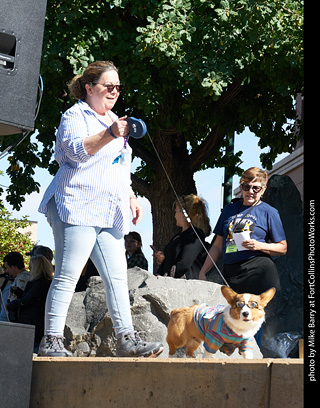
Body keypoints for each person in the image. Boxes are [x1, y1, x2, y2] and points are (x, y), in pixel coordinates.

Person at [37, 60, 163, 358]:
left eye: (118, 87)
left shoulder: (116, 122)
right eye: (109, 86)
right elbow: (73, 152)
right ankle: (51, 340)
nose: (115, 92)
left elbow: (119, 167)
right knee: (68, 273)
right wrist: (110, 132)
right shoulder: (74, 115)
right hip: (76, 203)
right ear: (89, 88)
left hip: (109, 209)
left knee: (117, 277)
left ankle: (127, 339)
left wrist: (131, 196)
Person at [199, 167, 287, 294]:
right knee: (233, 312)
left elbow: (282, 248)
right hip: (231, 272)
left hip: (259, 270)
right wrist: (203, 271)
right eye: (246, 187)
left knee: (259, 313)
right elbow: (217, 246)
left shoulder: (269, 212)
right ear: (241, 187)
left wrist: (258, 245)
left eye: (256, 188)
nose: (250, 191)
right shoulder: (229, 210)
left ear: (263, 190)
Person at [154, 194, 211, 279]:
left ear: (184, 214)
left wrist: (167, 277)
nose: (174, 216)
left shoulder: (195, 235)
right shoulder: (179, 235)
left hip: (185, 285)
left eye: (176, 211)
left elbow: (184, 264)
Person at [7, 255, 53, 353]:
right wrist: (19, 293)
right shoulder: (41, 282)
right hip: (33, 322)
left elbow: (28, 300)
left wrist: (12, 304)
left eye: (31, 266)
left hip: (32, 323)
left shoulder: (40, 283)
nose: (29, 268)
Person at [0, 252, 32, 322]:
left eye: (7, 268)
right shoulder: (19, 277)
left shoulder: (24, 278)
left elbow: (21, 298)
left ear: (14, 266)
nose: (6, 271)